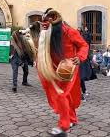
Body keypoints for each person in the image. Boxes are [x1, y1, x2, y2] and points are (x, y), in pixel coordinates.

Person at [36, 8, 89, 136]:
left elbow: (84, 45)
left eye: (51, 18)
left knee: (61, 94)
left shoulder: (70, 32)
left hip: (69, 67)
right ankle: (73, 119)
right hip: (53, 68)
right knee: (66, 95)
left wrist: (80, 57)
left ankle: (63, 126)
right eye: (46, 19)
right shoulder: (47, 33)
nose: (47, 22)